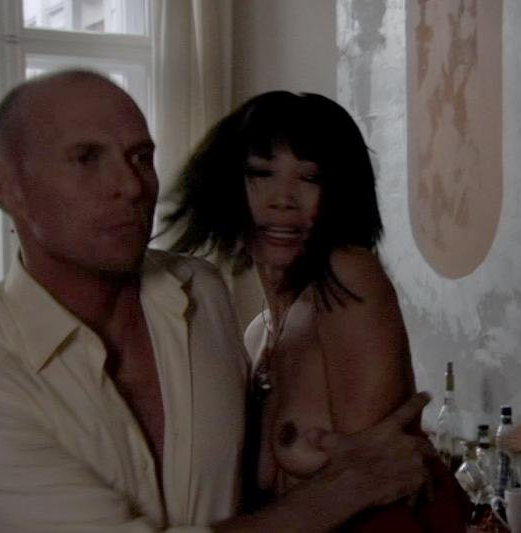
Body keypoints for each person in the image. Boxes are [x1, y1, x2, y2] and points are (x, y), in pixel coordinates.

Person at [0, 71, 435, 533]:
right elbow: (357, 479)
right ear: (7, 189)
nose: (131, 185)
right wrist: (341, 489)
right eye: (87, 158)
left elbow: (386, 475)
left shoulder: (202, 292)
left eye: (141, 157)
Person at [164, 91, 468, 531]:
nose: (283, 199)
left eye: (309, 178)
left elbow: (380, 489)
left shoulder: (346, 273)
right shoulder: (258, 333)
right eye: (261, 174)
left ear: (339, 192)